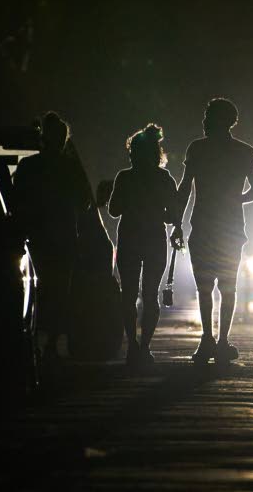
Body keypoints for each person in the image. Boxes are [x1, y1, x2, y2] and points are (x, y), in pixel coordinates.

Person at [172, 97, 253, 363]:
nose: (203, 121)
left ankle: (207, 340)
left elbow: (185, 187)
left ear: (217, 120)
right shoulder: (245, 151)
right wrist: (238, 199)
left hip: (202, 225)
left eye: (207, 116)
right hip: (232, 227)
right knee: (228, 285)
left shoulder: (197, 149)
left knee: (204, 287)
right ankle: (222, 341)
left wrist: (177, 222)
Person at [10, 111, 88, 360]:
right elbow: (85, 202)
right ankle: (52, 342)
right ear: (64, 139)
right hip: (63, 238)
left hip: (35, 239)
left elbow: (15, 200)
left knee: (35, 290)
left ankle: (32, 338)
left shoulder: (29, 166)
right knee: (59, 293)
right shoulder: (70, 168)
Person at [107, 123, 180, 365]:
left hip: (129, 237)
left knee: (127, 295)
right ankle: (145, 346)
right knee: (151, 295)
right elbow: (172, 215)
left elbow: (114, 209)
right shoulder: (164, 178)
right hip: (154, 239)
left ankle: (132, 346)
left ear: (134, 153)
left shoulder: (124, 177)